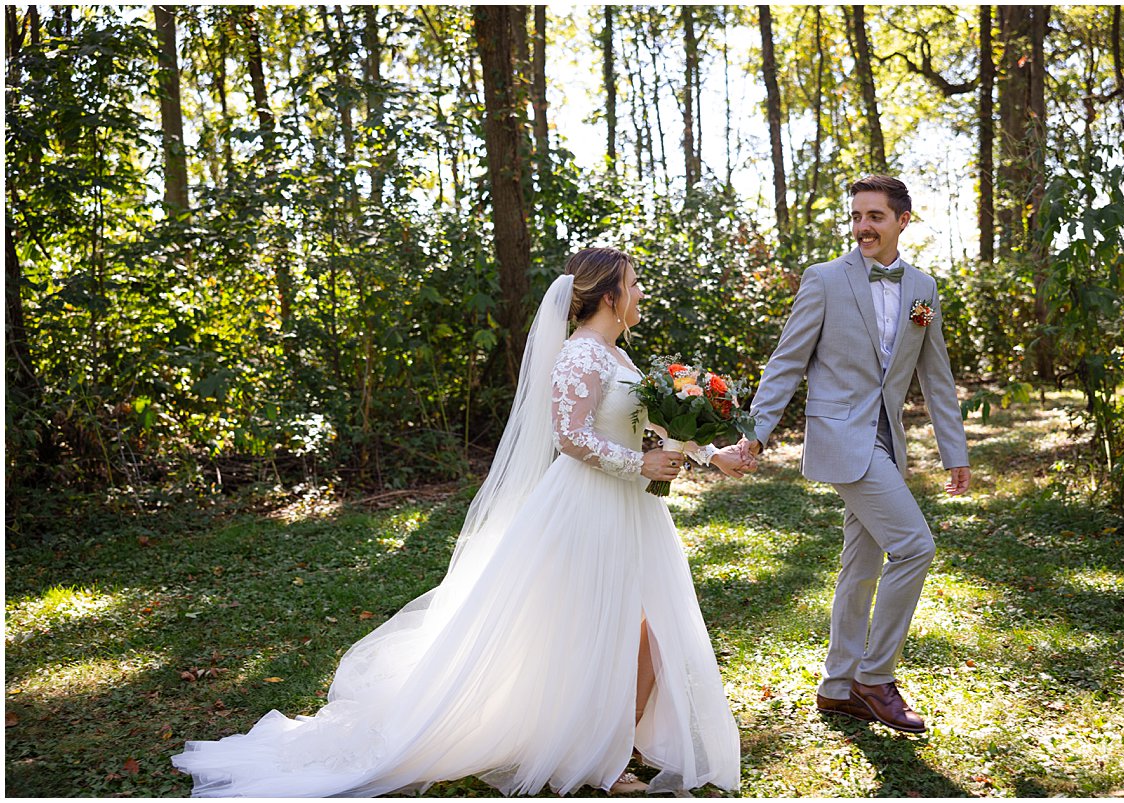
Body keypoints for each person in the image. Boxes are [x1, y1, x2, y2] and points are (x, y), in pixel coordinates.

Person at [172, 247, 748, 797]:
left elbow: (648, 429)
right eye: (634, 283)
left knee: (647, 626)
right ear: (609, 294)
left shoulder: (619, 355)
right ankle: (599, 755)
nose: (641, 292)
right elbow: (570, 437)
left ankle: (617, 742)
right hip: (589, 505)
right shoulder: (580, 354)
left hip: (631, 507)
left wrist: (708, 454)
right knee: (611, 626)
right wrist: (638, 463)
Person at [740, 175, 970, 734]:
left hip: (887, 438)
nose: (863, 227)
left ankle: (839, 686)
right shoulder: (823, 280)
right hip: (843, 436)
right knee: (915, 547)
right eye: (857, 216)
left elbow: (934, 375)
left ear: (901, 221)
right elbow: (786, 361)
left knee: (861, 565)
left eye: (875, 217)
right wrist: (756, 432)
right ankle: (875, 678)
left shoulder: (923, 288)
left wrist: (953, 450)